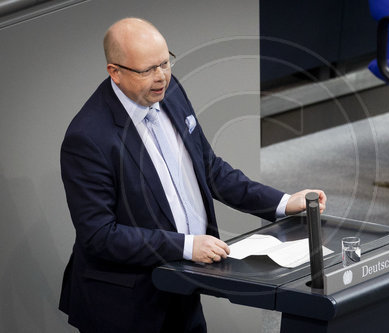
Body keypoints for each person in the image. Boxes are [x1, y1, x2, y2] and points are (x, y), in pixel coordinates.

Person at [59, 17, 326, 333]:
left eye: (165, 62)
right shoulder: (88, 137)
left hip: (181, 286)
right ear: (115, 72)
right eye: (147, 70)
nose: (161, 77)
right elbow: (100, 235)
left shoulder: (169, 92)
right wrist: (185, 247)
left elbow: (209, 169)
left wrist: (282, 203)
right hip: (125, 306)